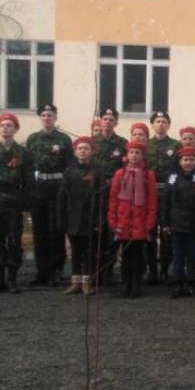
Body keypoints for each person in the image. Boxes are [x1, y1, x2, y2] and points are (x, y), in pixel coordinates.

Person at [0, 113, 35, 295]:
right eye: (2, 125)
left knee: (14, 241)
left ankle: (12, 279)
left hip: (14, 203)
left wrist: (26, 207)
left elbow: (29, 183)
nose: (5, 128)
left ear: (16, 129)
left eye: (9, 125)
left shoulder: (24, 153)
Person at [25, 103, 73, 286]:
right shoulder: (32, 139)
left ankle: (57, 270)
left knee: (57, 231)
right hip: (38, 189)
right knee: (40, 232)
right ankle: (42, 271)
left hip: (57, 188)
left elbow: (69, 166)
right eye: (44, 115)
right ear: (40, 118)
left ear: (55, 117)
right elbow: (28, 166)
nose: (46, 118)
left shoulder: (63, 139)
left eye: (50, 115)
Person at [108, 141, 157, 299]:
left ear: (143, 156)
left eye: (137, 153)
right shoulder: (119, 174)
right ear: (127, 155)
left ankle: (136, 283)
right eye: (131, 152)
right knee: (125, 255)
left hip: (140, 222)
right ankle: (125, 283)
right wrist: (113, 221)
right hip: (123, 222)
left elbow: (152, 201)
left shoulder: (148, 175)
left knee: (137, 255)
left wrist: (149, 222)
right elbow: (113, 200)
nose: (134, 155)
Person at [57, 136, 101, 297]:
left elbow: (101, 198)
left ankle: (87, 283)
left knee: (89, 252)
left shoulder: (97, 172)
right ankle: (75, 282)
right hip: (73, 218)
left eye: (86, 148)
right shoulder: (69, 172)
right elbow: (62, 197)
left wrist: (99, 220)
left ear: (92, 151)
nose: (83, 151)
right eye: (80, 148)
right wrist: (61, 218)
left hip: (90, 219)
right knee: (75, 251)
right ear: (75, 152)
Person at [162, 146, 195, 299]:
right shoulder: (172, 179)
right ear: (180, 162)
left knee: (193, 256)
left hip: (194, 224)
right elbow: (166, 202)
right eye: (185, 160)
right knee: (178, 255)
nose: (188, 162)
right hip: (177, 224)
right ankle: (178, 284)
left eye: (191, 160)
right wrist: (165, 223)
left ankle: (191, 284)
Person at [92, 107, 126, 284]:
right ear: (100, 121)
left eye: (111, 119)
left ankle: (108, 271)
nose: (108, 122)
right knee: (96, 231)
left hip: (115, 193)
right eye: (105, 119)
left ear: (116, 122)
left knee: (112, 232)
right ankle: (94, 271)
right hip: (95, 194)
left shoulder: (122, 144)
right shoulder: (92, 142)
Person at [147, 111, 181, 284]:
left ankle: (165, 270)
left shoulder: (176, 145)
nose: (160, 124)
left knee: (167, 234)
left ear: (168, 125)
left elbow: (179, 170)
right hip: (150, 195)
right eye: (158, 121)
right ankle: (152, 270)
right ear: (152, 124)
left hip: (168, 195)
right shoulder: (146, 145)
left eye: (164, 121)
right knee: (150, 233)